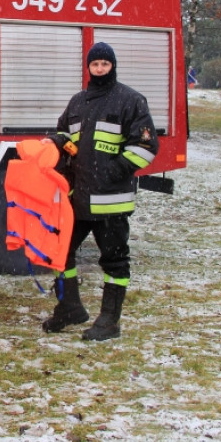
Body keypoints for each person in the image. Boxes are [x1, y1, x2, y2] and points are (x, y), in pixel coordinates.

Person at [43, 42, 159, 341]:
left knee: (114, 260)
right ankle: (70, 308)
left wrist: (112, 171)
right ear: (89, 68)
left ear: (113, 66)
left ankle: (109, 321)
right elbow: (64, 133)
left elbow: (145, 147)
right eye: (95, 65)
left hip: (111, 201)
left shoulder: (130, 100)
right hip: (79, 199)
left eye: (104, 65)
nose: (99, 70)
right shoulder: (78, 101)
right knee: (60, 251)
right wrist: (54, 142)